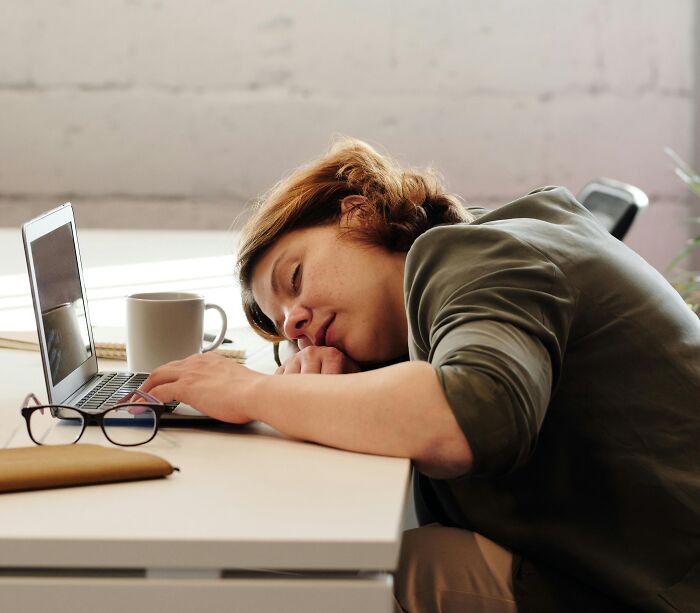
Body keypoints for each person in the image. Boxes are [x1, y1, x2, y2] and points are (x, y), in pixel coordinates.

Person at [139, 138, 700, 612]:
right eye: (287, 326)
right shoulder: (479, 258)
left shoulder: (470, 256)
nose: (297, 321)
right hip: (646, 558)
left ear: (357, 213)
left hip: (661, 586)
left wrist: (257, 392)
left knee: (322, 576)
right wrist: (328, 390)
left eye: (295, 277)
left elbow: (473, 415)